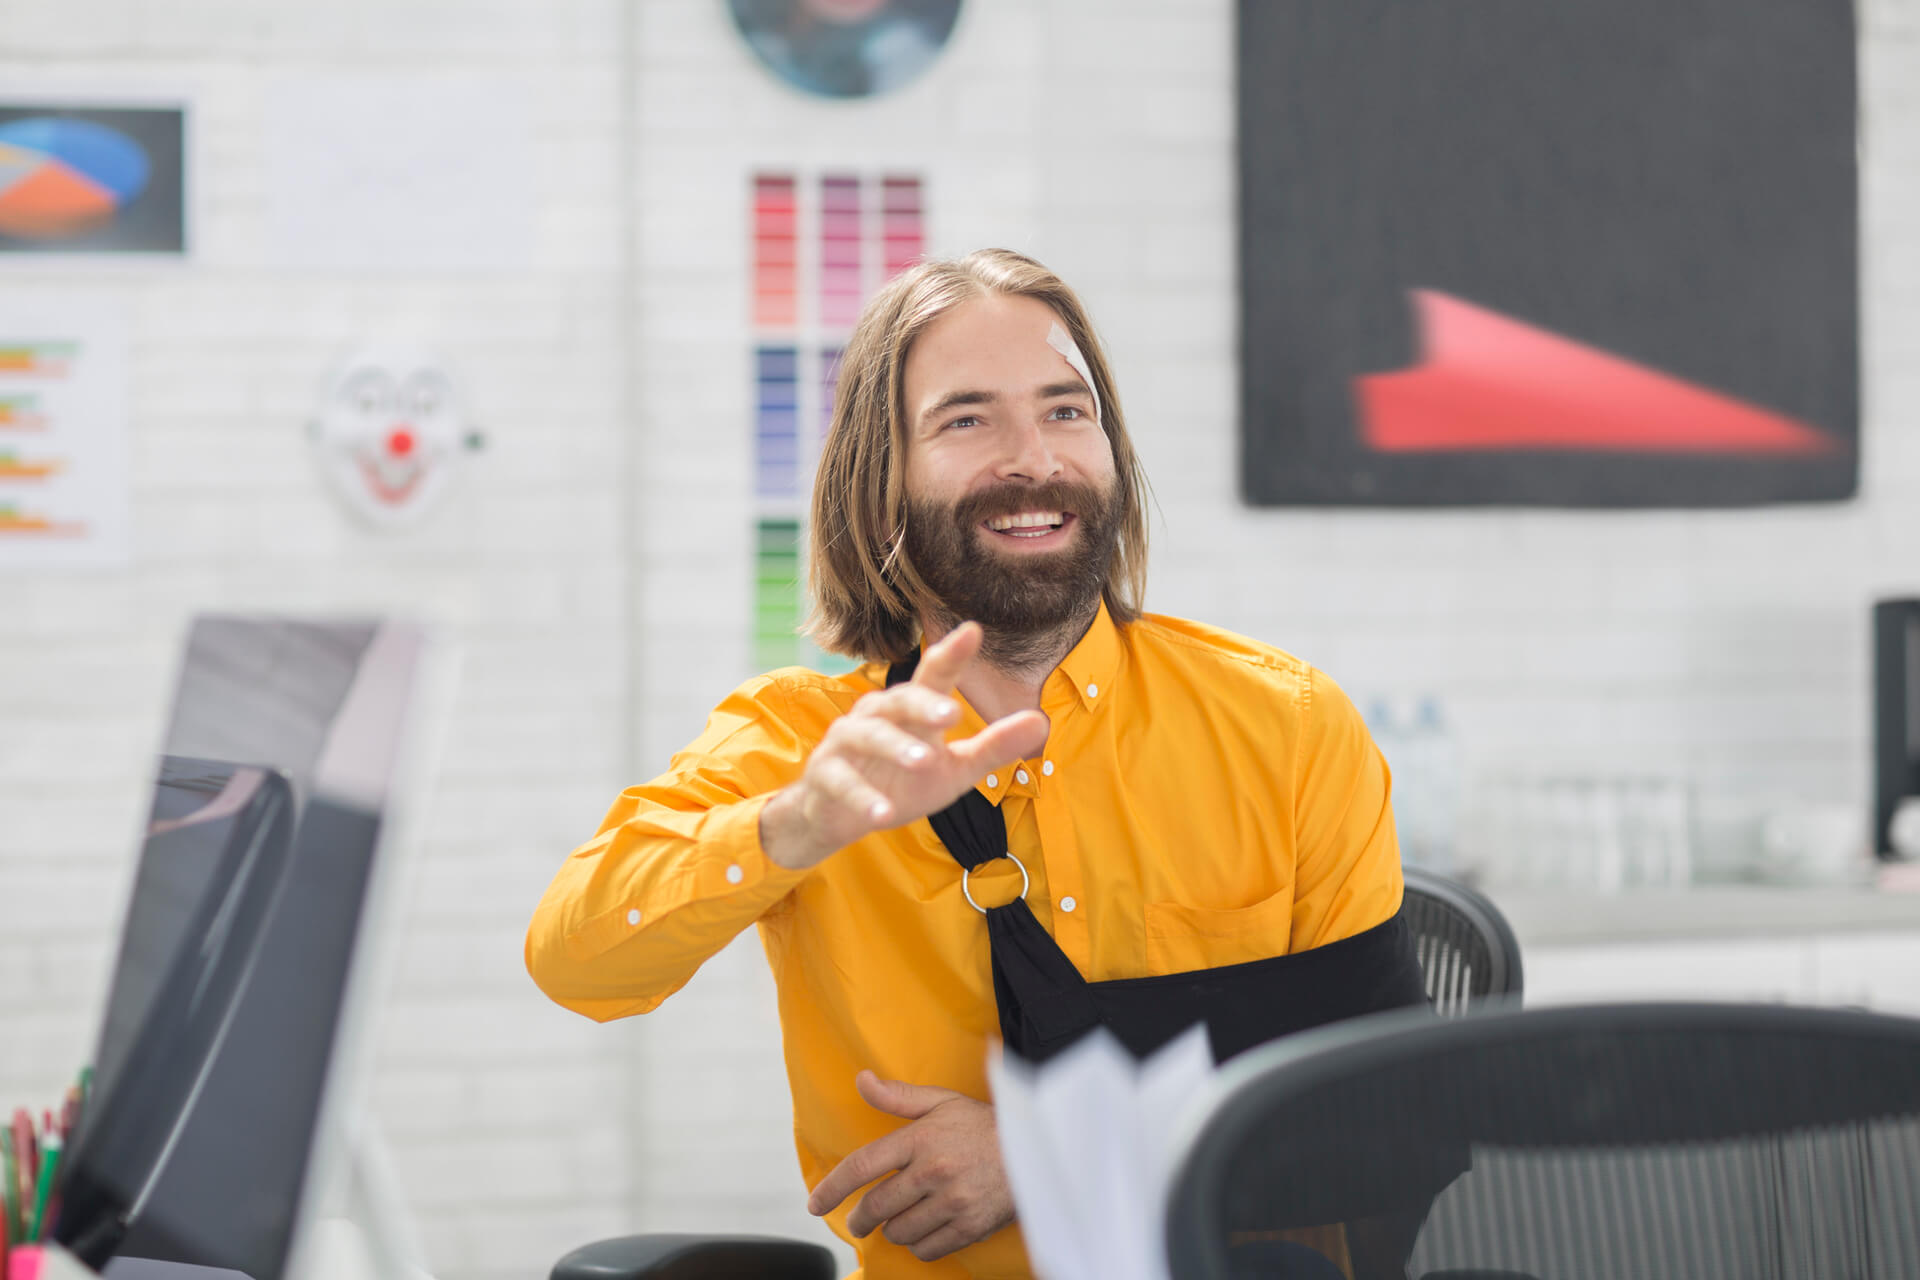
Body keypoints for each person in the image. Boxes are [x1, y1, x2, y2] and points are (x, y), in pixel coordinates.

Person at [526, 249, 1425, 1279]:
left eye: (1064, 410)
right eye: (966, 419)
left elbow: (1388, 1113)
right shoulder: (798, 744)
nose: (1032, 458)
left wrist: (1043, 1152)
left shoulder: (1286, 725)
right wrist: (794, 828)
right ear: (882, 480)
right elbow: (575, 956)